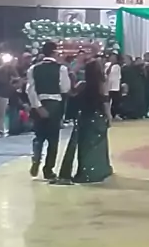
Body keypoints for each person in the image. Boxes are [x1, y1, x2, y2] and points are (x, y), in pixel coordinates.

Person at [53, 59, 114, 185]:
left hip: (84, 118)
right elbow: (105, 102)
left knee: (84, 146)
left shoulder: (81, 85)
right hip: (97, 117)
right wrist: (109, 116)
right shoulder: (101, 85)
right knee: (97, 146)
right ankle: (96, 171)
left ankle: (83, 171)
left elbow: (71, 95)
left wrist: (72, 75)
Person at [27, 42, 72, 179]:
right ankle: (48, 170)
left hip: (39, 103)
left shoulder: (33, 68)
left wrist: (38, 106)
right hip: (55, 104)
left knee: (38, 136)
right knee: (53, 139)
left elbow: (30, 90)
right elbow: (65, 88)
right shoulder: (61, 69)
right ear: (54, 52)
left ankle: (36, 158)